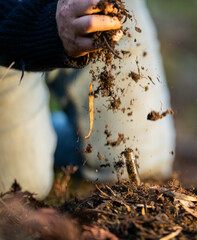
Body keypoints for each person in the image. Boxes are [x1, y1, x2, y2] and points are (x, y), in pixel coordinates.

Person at [0, 0, 175, 199]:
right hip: (8, 35)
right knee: (20, 188)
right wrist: (43, 23)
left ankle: (44, 131)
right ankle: (32, 132)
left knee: (140, 164)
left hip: (94, 9)